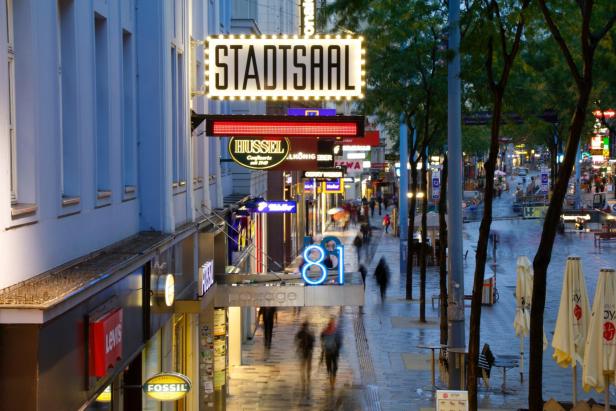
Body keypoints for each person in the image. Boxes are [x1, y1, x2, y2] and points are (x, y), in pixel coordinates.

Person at [320, 317, 342, 388]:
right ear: (333, 323)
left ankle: (330, 378)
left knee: (328, 366)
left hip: (327, 352)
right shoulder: (336, 331)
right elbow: (339, 342)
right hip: (334, 351)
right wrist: (338, 349)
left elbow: (322, 339)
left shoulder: (324, 331)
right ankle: (333, 381)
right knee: (335, 366)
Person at [295, 321, 315, 390]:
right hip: (308, 351)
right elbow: (313, 341)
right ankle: (307, 377)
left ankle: (304, 377)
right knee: (307, 365)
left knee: (303, 365)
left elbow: (296, 339)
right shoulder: (310, 333)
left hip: (304, 351)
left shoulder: (301, 332)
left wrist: (298, 346)